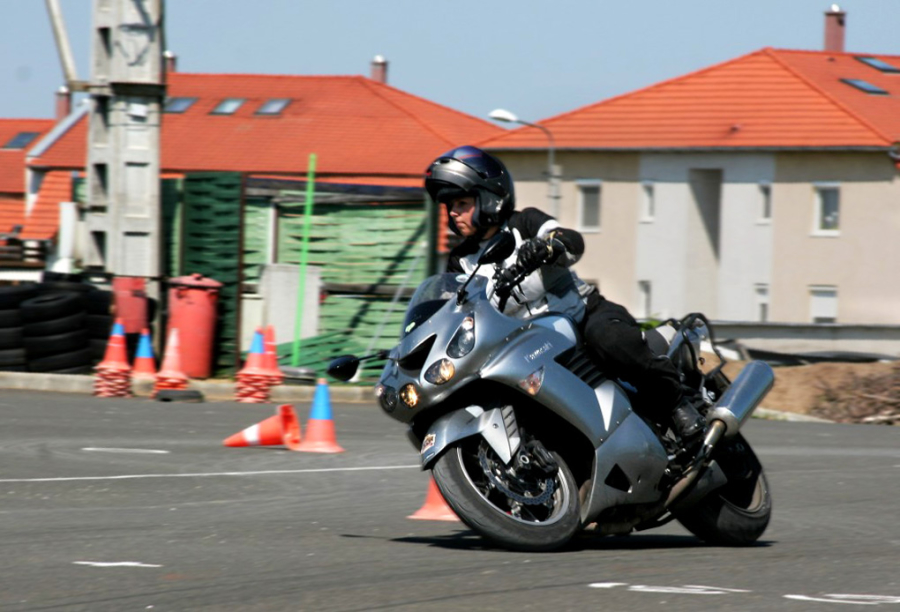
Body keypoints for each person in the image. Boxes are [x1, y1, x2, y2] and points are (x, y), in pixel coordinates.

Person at [424, 145, 705, 440]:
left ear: (489, 198)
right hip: (529, 346)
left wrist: (547, 246)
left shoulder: (525, 224)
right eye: (449, 205)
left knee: (609, 341)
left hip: (584, 319)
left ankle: (677, 404)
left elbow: (569, 240)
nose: (453, 213)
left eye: (461, 202)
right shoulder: (459, 261)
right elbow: (451, 310)